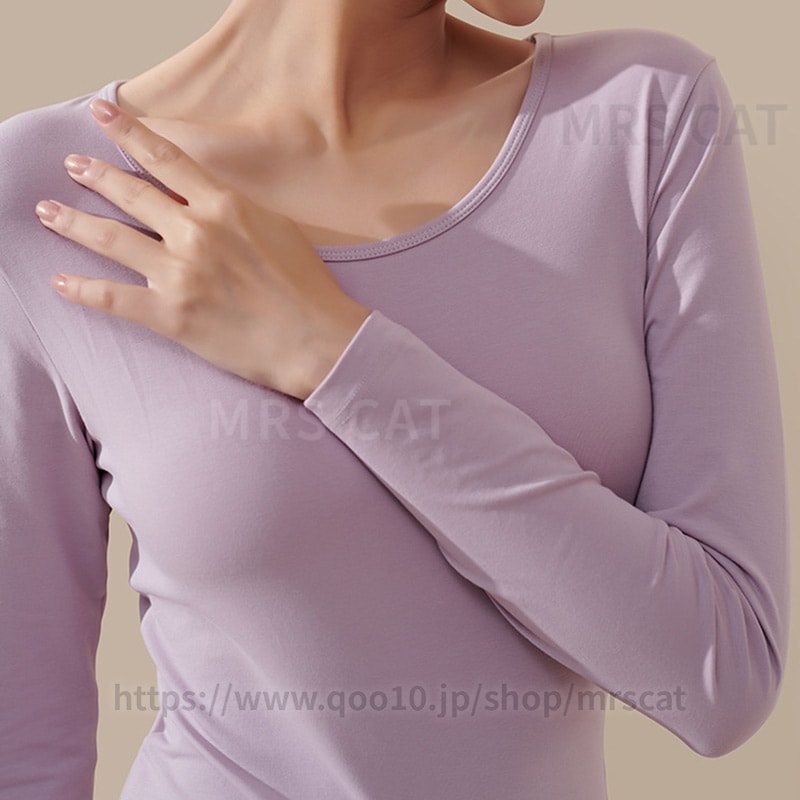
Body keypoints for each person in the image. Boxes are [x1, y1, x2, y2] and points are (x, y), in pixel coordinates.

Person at [0, 0, 789, 798]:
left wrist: (330, 351)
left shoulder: (644, 113)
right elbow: (24, 755)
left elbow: (722, 677)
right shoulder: (46, 192)